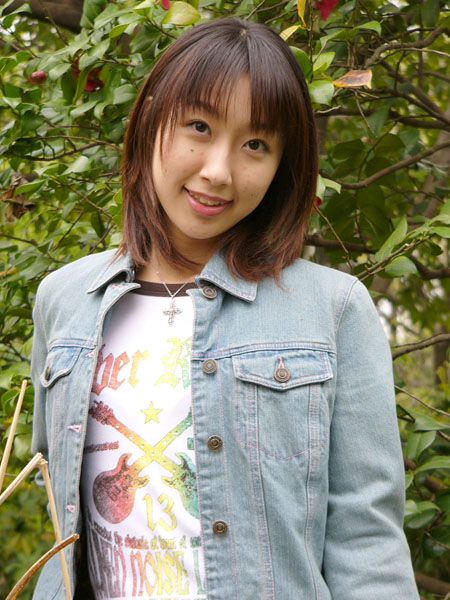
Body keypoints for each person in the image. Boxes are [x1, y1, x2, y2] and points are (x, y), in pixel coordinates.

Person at [31, 17, 419, 600]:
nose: (218, 170)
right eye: (199, 126)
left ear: (283, 164)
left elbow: (367, 541)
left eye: (255, 144)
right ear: (152, 119)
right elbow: (59, 503)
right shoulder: (64, 298)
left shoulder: (333, 310)